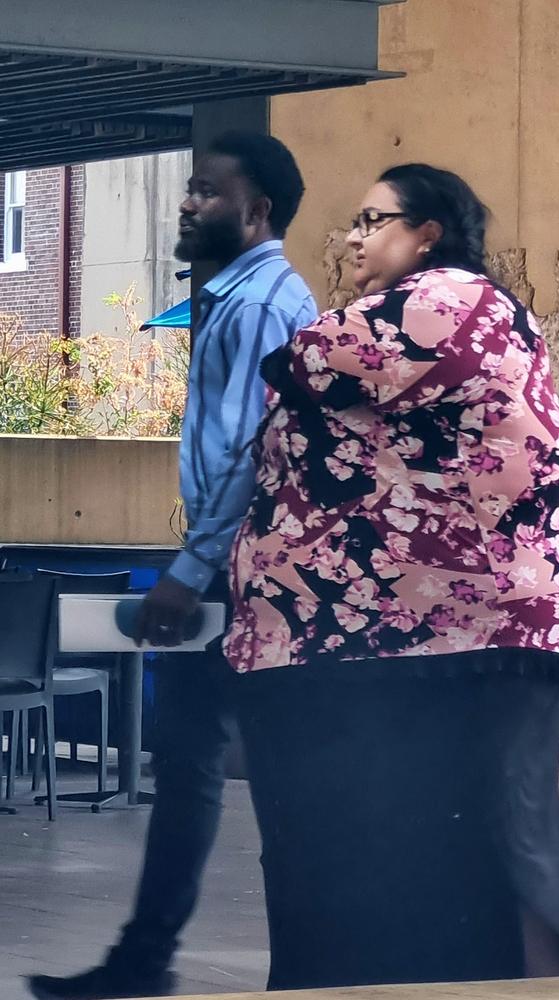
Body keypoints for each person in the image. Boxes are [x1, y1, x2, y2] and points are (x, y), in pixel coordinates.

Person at [226, 163, 559, 988]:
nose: (354, 238)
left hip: (462, 628)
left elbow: (303, 359)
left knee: (501, 842)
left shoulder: (450, 297)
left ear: (428, 232)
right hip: (393, 635)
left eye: (374, 220)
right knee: (407, 848)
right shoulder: (426, 310)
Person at [29, 132, 317, 1000]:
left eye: (205, 191)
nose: (187, 204)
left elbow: (248, 451)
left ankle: (300, 965)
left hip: (247, 571)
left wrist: (191, 570)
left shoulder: (263, 303)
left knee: (258, 773)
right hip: (237, 563)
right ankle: (143, 962)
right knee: (194, 766)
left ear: (256, 210)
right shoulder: (234, 297)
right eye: (188, 189)